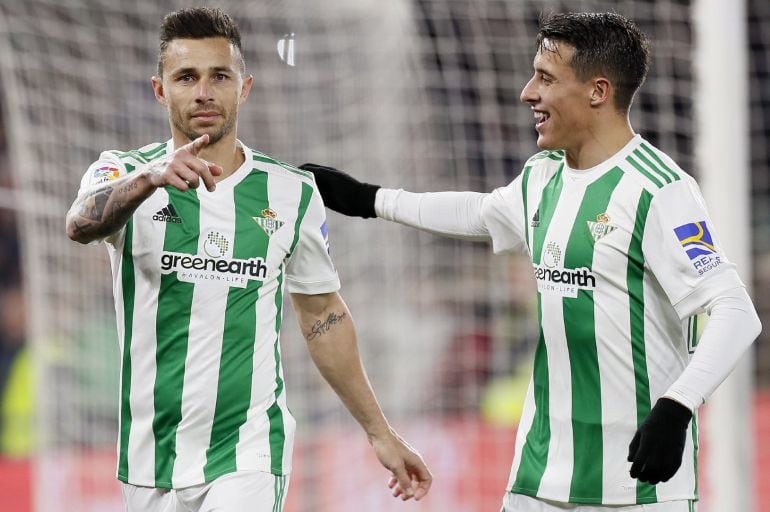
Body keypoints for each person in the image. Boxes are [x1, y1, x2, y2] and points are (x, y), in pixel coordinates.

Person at [299, 11, 762, 512]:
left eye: (545, 78)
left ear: (597, 91)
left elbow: (736, 311)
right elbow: (480, 212)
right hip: (539, 478)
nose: (527, 92)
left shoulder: (659, 190)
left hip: (640, 483)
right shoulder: (542, 176)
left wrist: (677, 406)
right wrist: (369, 199)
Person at [65, 7, 431, 512]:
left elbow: (322, 313)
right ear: (159, 89)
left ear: (245, 86)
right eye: (186, 77)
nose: (204, 91)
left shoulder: (292, 192)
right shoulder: (123, 172)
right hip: (150, 460)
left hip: (249, 451)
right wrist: (151, 179)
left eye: (220, 76)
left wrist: (380, 432)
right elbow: (80, 223)